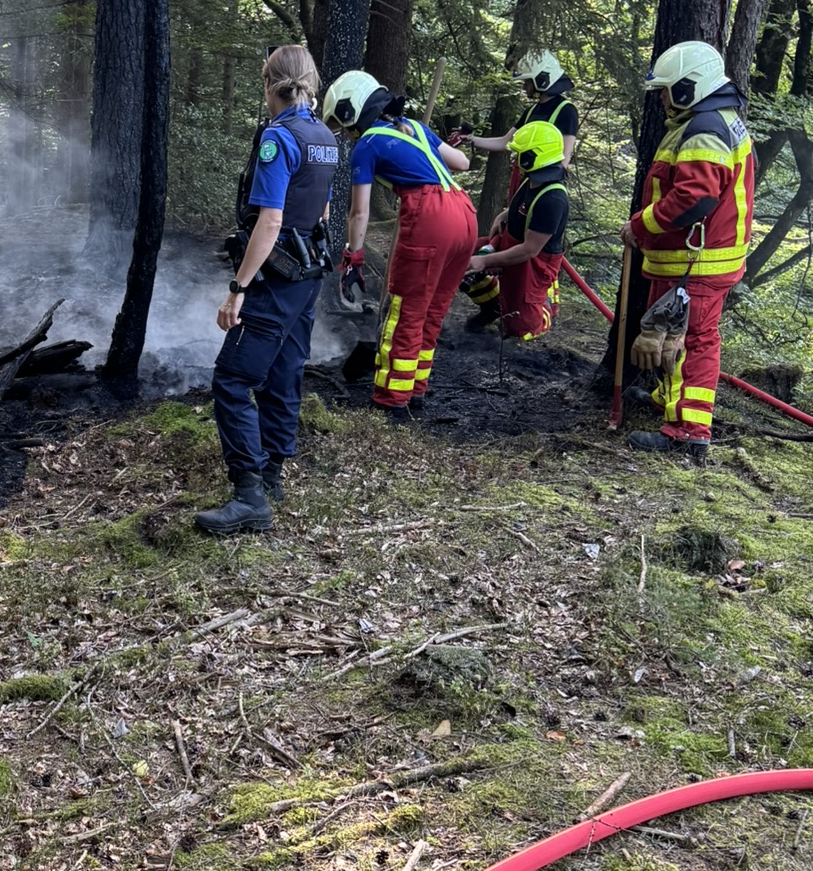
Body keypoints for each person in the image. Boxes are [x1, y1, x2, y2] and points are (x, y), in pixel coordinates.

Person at [195, 44, 338, 535]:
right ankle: (273, 471)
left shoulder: (279, 139)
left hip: (277, 278)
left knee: (232, 380)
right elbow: (321, 213)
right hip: (308, 276)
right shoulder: (324, 136)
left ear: (268, 85)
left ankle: (249, 495)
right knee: (285, 372)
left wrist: (239, 286)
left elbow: (271, 219)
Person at [624, 40, 753, 464]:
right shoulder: (710, 122)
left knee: (690, 340)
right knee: (670, 335)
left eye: (667, 90)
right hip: (688, 259)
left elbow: (694, 199)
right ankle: (671, 402)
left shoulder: (705, 128)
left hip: (696, 262)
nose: (662, 99)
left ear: (688, 87)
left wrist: (640, 225)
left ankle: (687, 432)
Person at [322, 70, 477, 422]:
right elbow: (462, 163)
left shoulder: (367, 145)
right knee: (432, 310)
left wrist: (353, 257)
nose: (345, 134)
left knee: (405, 310)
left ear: (353, 112)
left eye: (342, 124)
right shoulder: (414, 128)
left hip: (431, 215)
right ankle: (415, 389)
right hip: (464, 213)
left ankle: (391, 400)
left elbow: (359, 212)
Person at [462, 119, 570, 340]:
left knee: (521, 329)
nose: (515, 159)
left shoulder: (553, 199)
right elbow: (520, 205)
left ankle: (545, 307)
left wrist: (485, 261)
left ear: (535, 157)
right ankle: (492, 306)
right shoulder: (531, 179)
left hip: (532, 263)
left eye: (520, 154)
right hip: (510, 244)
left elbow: (529, 250)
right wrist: (503, 215)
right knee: (459, 255)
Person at [462, 49, 580, 197]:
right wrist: (471, 140)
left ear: (541, 80)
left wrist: (539, 189)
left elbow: (564, 156)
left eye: (527, 82)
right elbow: (503, 142)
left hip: (544, 185)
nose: (524, 87)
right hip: (524, 178)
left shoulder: (566, 110)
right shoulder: (531, 111)